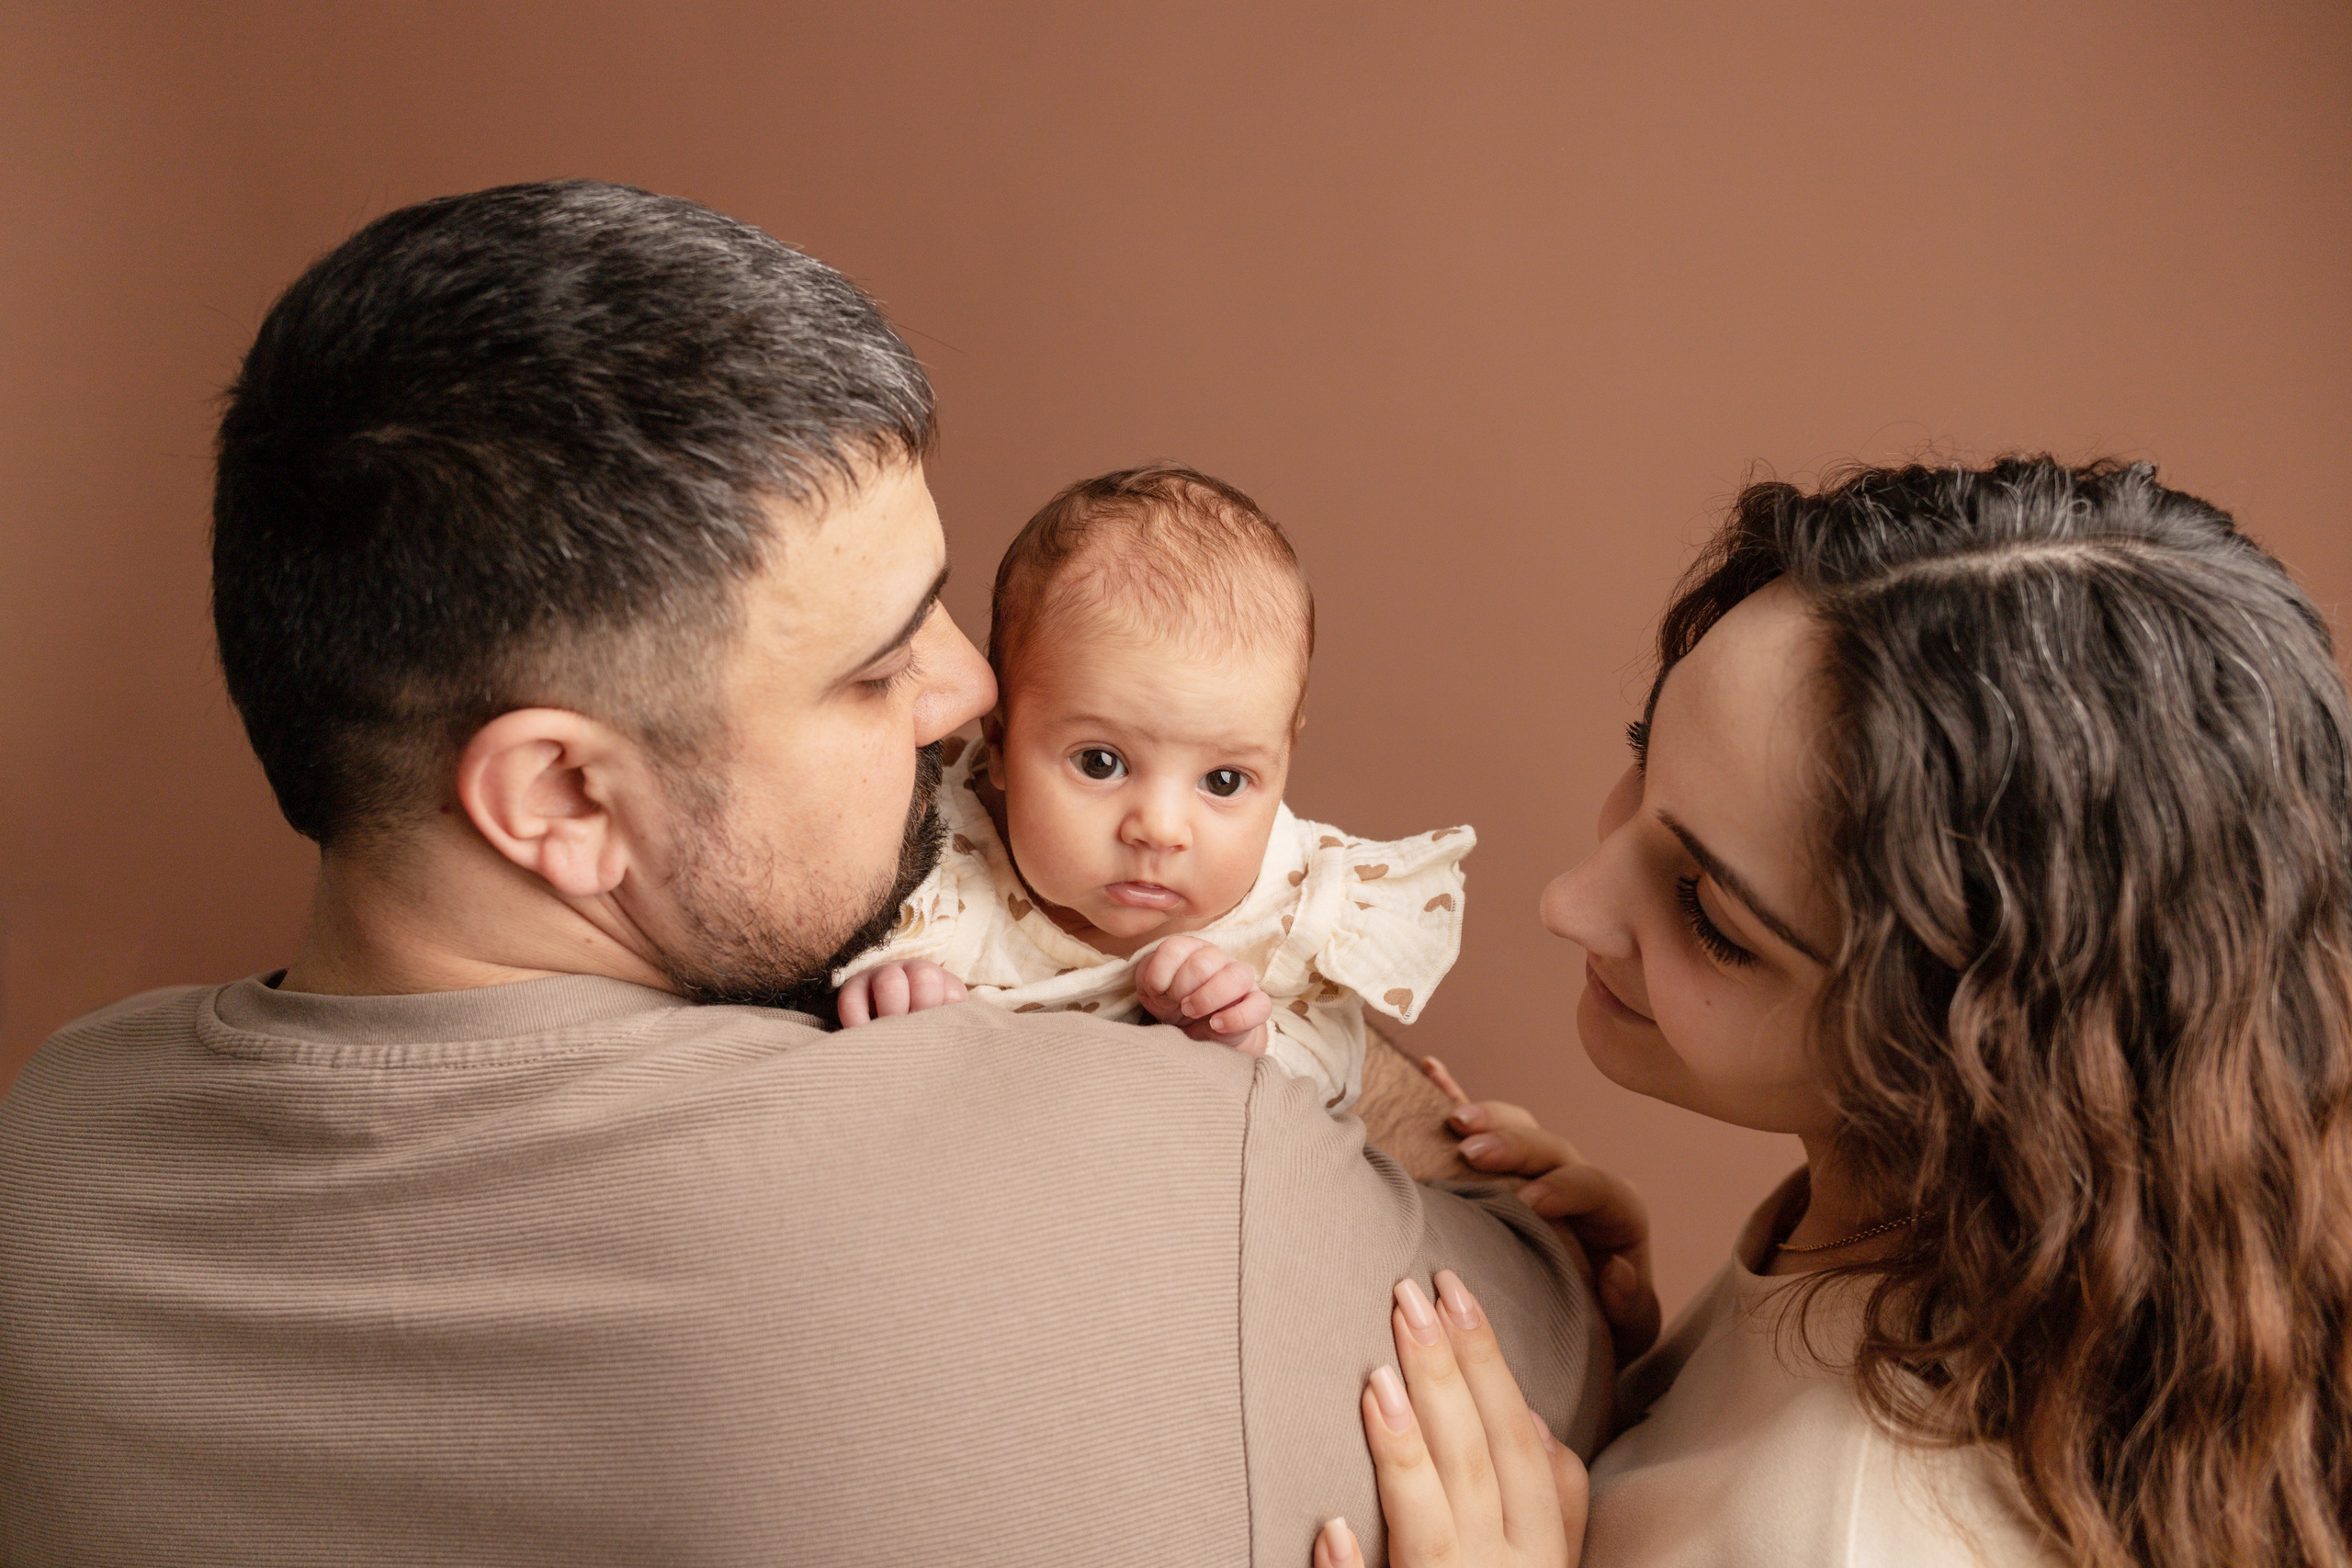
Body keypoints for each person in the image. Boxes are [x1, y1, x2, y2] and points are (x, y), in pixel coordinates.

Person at [0, 181, 1616, 1565]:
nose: (969, 693)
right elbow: (1576, 1325)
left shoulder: (47, 1153)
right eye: (874, 665)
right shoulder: (1170, 1164)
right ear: (563, 794)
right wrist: (1383, 1090)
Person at [1324, 458, 2352, 1567]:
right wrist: (1611, 1371)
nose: (1567, 903)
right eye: (1642, 757)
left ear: (1977, 1045)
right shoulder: (1934, 1244)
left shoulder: (1858, 1536)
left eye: (1710, 913)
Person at [836, 463, 1476, 1111]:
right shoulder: (934, 849)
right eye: (1100, 763)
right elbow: (830, 957)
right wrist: (895, 988)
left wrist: (1245, 1039)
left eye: (1224, 780)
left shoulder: (1284, 900)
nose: (1161, 829)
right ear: (999, 741)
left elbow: (1337, 1080)